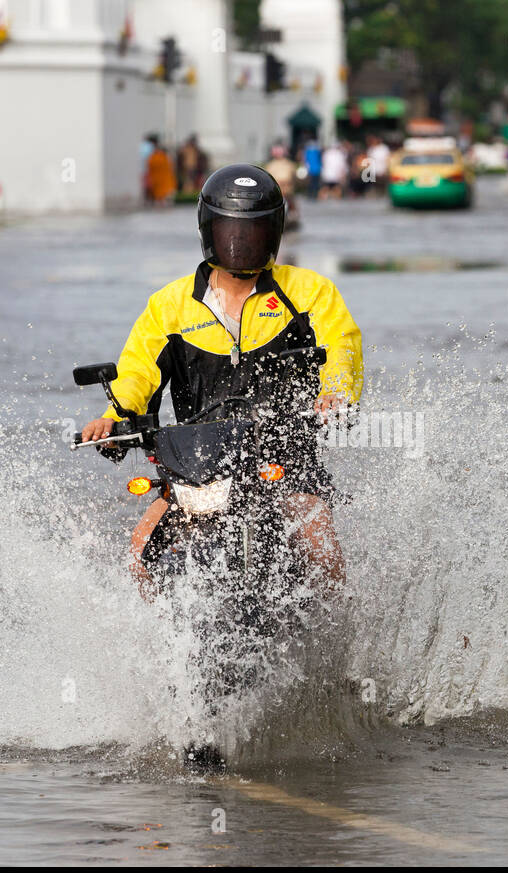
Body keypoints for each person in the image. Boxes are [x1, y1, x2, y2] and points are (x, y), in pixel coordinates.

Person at [78, 164, 364, 590]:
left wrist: (336, 396)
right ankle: (156, 653)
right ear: (209, 231)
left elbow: (341, 346)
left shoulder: (309, 292)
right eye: (231, 232)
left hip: (284, 458)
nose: (241, 244)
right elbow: (137, 370)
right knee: (139, 554)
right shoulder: (169, 305)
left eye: (252, 232)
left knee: (320, 547)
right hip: (197, 466)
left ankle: (339, 646)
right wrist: (112, 417)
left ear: (274, 233)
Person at [263, 142, 300, 230]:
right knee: (292, 205)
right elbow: (294, 178)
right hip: (283, 191)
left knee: (292, 203)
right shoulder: (289, 164)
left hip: (281, 191)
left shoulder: (271, 165)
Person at [144, 135, 176, 205]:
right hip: (160, 181)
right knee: (162, 198)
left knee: (162, 198)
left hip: (161, 180)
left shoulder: (156, 156)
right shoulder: (158, 156)